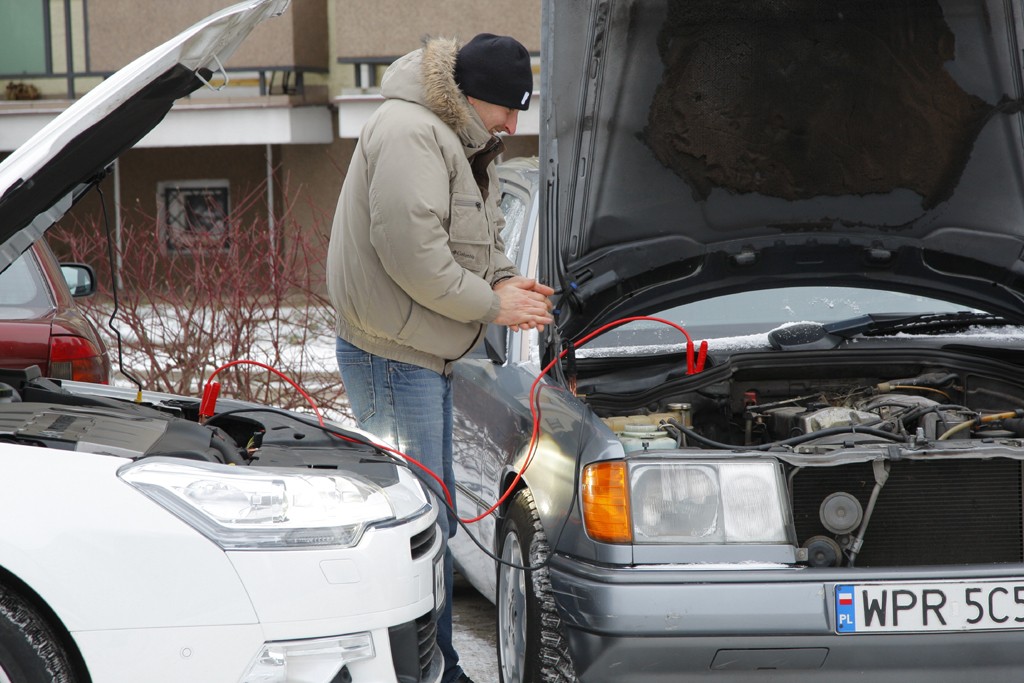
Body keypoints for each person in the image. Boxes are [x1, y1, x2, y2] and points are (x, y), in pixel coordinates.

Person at [326, 33, 554, 683]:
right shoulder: (411, 134)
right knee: (417, 526)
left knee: (431, 515)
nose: (513, 123)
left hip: (421, 353)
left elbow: (480, 235)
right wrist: (493, 305)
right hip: (394, 357)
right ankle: (428, 670)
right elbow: (415, 257)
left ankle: (433, 664)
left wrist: (510, 280)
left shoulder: (458, 136)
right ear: (472, 95)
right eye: (508, 109)